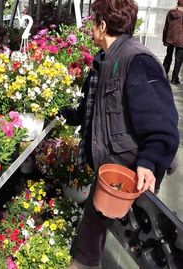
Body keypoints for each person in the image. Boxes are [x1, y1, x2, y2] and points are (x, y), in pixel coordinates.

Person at [60, 0, 180, 268]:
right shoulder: (103, 60)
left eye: (92, 22)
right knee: (99, 218)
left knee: (147, 239)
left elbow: (162, 122)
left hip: (131, 170)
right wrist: (67, 114)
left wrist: (148, 163)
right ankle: (87, 261)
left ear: (102, 26)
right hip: (110, 166)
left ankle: (85, 262)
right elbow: (92, 106)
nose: (89, 27)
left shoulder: (136, 60)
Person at [162, 0, 183, 84]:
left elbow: (166, 26)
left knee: (168, 57)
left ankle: (163, 75)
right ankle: (174, 79)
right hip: (181, 41)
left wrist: (164, 39)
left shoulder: (170, 12)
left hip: (170, 39)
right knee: (178, 60)